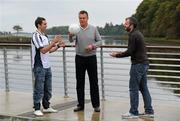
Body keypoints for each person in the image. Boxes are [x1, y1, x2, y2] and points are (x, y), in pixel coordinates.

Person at [110, 17, 154, 119]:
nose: (124, 25)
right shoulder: (137, 33)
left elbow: (130, 52)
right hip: (144, 64)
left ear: (132, 25)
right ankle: (149, 111)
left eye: (126, 24)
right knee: (144, 88)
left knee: (133, 89)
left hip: (138, 65)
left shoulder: (133, 35)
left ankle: (133, 112)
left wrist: (117, 55)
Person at [69, 10, 102, 112]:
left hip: (91, 58)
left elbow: (100, 41)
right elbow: (71, 41)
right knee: (80, 82)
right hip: (79, 58)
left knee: (94, 82)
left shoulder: (93, 29)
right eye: (80, 18)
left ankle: (96, 105)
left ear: (87, 18)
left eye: (83, 18)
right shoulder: (76, 29)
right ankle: (80, 105)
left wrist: (92, 46)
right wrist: (70, 35)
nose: (82, 20)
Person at [31, 17, 65, 116]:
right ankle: (36, 108)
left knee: (48, 88)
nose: (46, 25)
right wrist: (54, 42)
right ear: (39, 25)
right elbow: (43, 50)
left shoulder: (45, 36)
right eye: (44, 24)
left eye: (46, 23)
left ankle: (46, 107)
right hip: (39, 66)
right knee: (39, 88)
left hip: (47, 66)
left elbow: (49, 50)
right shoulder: (36, 36)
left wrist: (58, 46)